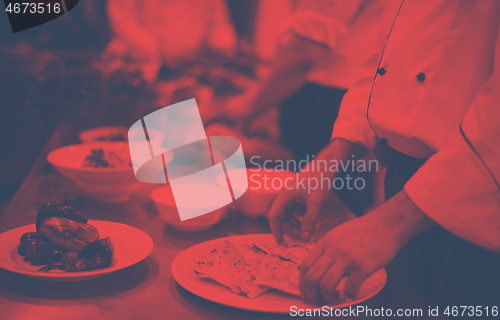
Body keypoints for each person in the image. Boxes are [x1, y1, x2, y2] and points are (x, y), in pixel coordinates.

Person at [269, 0, 500, 306]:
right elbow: (386, 59)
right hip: (404, 185)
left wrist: (390, 223)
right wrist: (335, 153)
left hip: (477, 203)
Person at [223, 0, 384, 161]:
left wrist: (246, 105)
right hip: (334, 102)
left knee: (319, 183)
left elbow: (305, 51)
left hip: (326, 107)